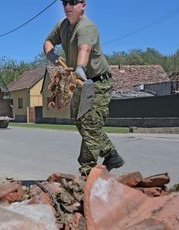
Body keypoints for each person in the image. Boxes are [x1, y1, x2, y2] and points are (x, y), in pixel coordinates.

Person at [43, 0, 124, 175]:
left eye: (72, 2)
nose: (67, 6)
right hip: (80, 81)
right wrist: (51, 55)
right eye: (64, 2)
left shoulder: (87, 27)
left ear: (83, 5)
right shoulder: (63, 25)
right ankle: (111, 154)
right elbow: (48, 41)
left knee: (89, 122)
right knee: (79, 120)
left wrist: (80, 68)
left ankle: (88, 170)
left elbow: (84, 49)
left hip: (97, 82)